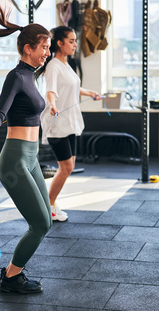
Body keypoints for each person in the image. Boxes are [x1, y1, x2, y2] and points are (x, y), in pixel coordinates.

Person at [0, 1, 52, 294]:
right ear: (27, 49)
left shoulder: (32, 77)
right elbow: (1, 109)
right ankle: (11, 277)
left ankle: (12, 274)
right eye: (44, 47)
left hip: (31, 157)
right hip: (15, 159)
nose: (47, 52)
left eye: (48, 48)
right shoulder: (17, 76)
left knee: (46, 218)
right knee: (40, 224)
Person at [36, 26, 101, 222]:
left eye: (75, 41)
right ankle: (49, 206)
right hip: (57, 122)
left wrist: (90, 93)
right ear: (60, 43)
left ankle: (49, 204)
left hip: (70, 122)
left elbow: (72, 85)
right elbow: (51, 90)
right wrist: (53, 104)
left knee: (69, 166)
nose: (75, 45)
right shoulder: (54, 65)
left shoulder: (65, 64)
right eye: (71, 41)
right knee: (65, 168)